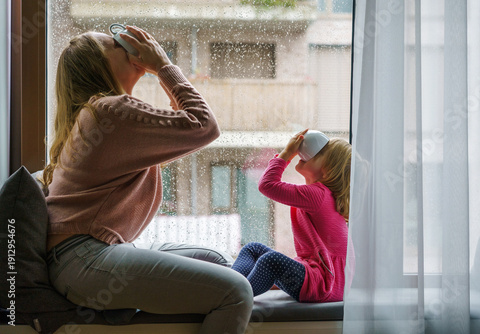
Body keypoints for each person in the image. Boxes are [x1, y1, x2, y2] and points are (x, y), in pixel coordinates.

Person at [42, 25, 253, 334]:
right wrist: (162, 65)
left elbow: (185, 130)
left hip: (90, 254)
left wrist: (160, 70)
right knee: (236, 291)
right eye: (114, 44)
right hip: (83, 258)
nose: (125, 45)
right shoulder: (108, 112)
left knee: (219, 261)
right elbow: (203, 125)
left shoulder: (102, 116)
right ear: (98, 66)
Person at [232, 129, 352, 303]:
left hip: (324, 283)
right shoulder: (323, 196)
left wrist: (287, 154)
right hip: (326, 281)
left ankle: (233, 296)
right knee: (253, 249)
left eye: (322, 152)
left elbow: (267, 185)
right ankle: (230, 284)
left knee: (271, 260)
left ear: (328, 169)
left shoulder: (318, 195)